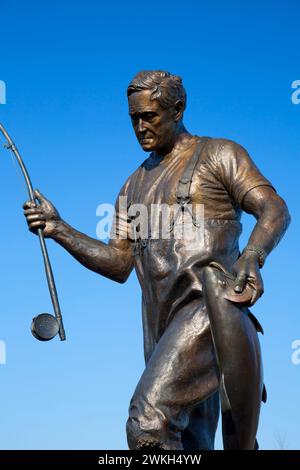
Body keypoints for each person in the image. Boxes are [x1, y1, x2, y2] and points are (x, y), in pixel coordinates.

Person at [23, 70, 290, 450]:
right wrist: (59, 228)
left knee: (148, 423)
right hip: (160, 330)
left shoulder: (219, 154)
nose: (140, 127)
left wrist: (253, 255)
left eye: (149, 116)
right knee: (193, 444)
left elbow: (274, 209)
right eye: (134, 118)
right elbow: (118, 264)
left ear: (178, 109)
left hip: (210, 312)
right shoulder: (131, 187)